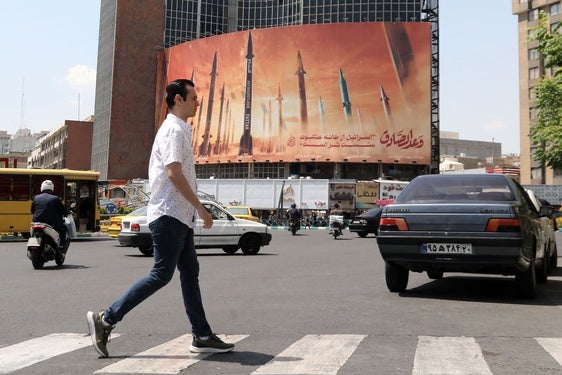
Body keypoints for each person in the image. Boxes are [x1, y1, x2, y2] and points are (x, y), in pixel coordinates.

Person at [86, 79, 234, 358]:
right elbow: (174, 173)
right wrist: (201, 209)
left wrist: (192, 211)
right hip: (169, 214)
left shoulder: (178, 129)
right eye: (193, 98)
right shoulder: (174, 130)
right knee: (161, 275)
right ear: (178, 99)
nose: (197, 102)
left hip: (178, 215)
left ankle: (202, 335)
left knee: (190, 273)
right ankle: (106, 319)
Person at [31, 180, 69, 249]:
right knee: (63, 229)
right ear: (52, 188)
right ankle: (61, 248)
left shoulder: (36, 198)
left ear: (42, 187)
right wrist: (67, 212)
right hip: (51, 223)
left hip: (36, 222)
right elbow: (63, 210)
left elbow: (32, 211)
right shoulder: (55, 198)